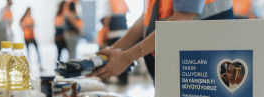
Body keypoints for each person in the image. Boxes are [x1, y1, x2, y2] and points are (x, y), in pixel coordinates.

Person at [87, 0, 235, 83]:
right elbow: (145, 18)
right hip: (174, 70)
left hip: (203, 69)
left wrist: (128, 56)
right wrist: (112, 51)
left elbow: (182, 17)